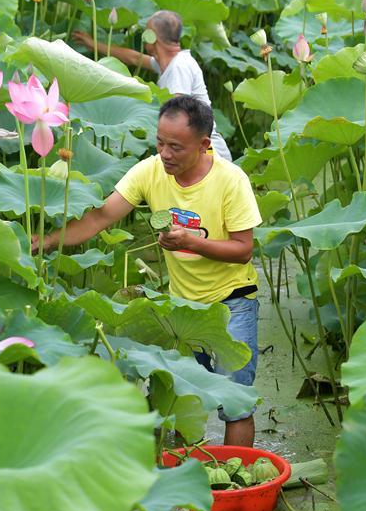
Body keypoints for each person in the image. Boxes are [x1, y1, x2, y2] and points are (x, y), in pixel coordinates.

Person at [35, 95, 261, 447]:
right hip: (182, 309)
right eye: (159, 143)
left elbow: (243, 250)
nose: (165, 154)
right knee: (182, 393)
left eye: (176, 147)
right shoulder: (151, 170)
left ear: (204, 145)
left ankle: (236, 485)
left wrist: (191, 242)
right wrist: (47, 241)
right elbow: (100, 217)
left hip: (232, 303)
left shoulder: (231, 181)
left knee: (235, 402)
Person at [73, 10, 233, 161]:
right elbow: (134, 58)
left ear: (152, 37)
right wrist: (92, 44)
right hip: (189, 150)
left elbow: (178, 118)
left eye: (146, 30)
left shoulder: (179, 67)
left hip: (207, 153)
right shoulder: (168, 63)